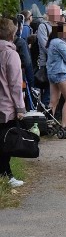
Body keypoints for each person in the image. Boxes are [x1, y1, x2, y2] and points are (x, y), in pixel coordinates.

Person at [0, 17, 27, 187]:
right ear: (12, 34)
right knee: (5, 142)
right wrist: (20, 107)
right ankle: (6, 174)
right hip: (5, 105)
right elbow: (15, 84)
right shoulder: (11, 54)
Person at [46, 22, 66, 133]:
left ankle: (49, 124)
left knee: (53, 101)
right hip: (61, 73)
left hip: (51, 73)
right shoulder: (60, 43)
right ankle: (63, 126)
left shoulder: (51, 42)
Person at [36, 3, 63, 106]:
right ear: (48, 14)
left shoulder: (61, 26)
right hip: (48, 65)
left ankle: (52, 117)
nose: (58, 14)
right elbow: (46, 47)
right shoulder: (43, 27)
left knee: (57, 94)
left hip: (60, 65)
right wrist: (62, 53)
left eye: (58, 12)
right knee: (49, 94)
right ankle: (45, 118)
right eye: (55, 12)